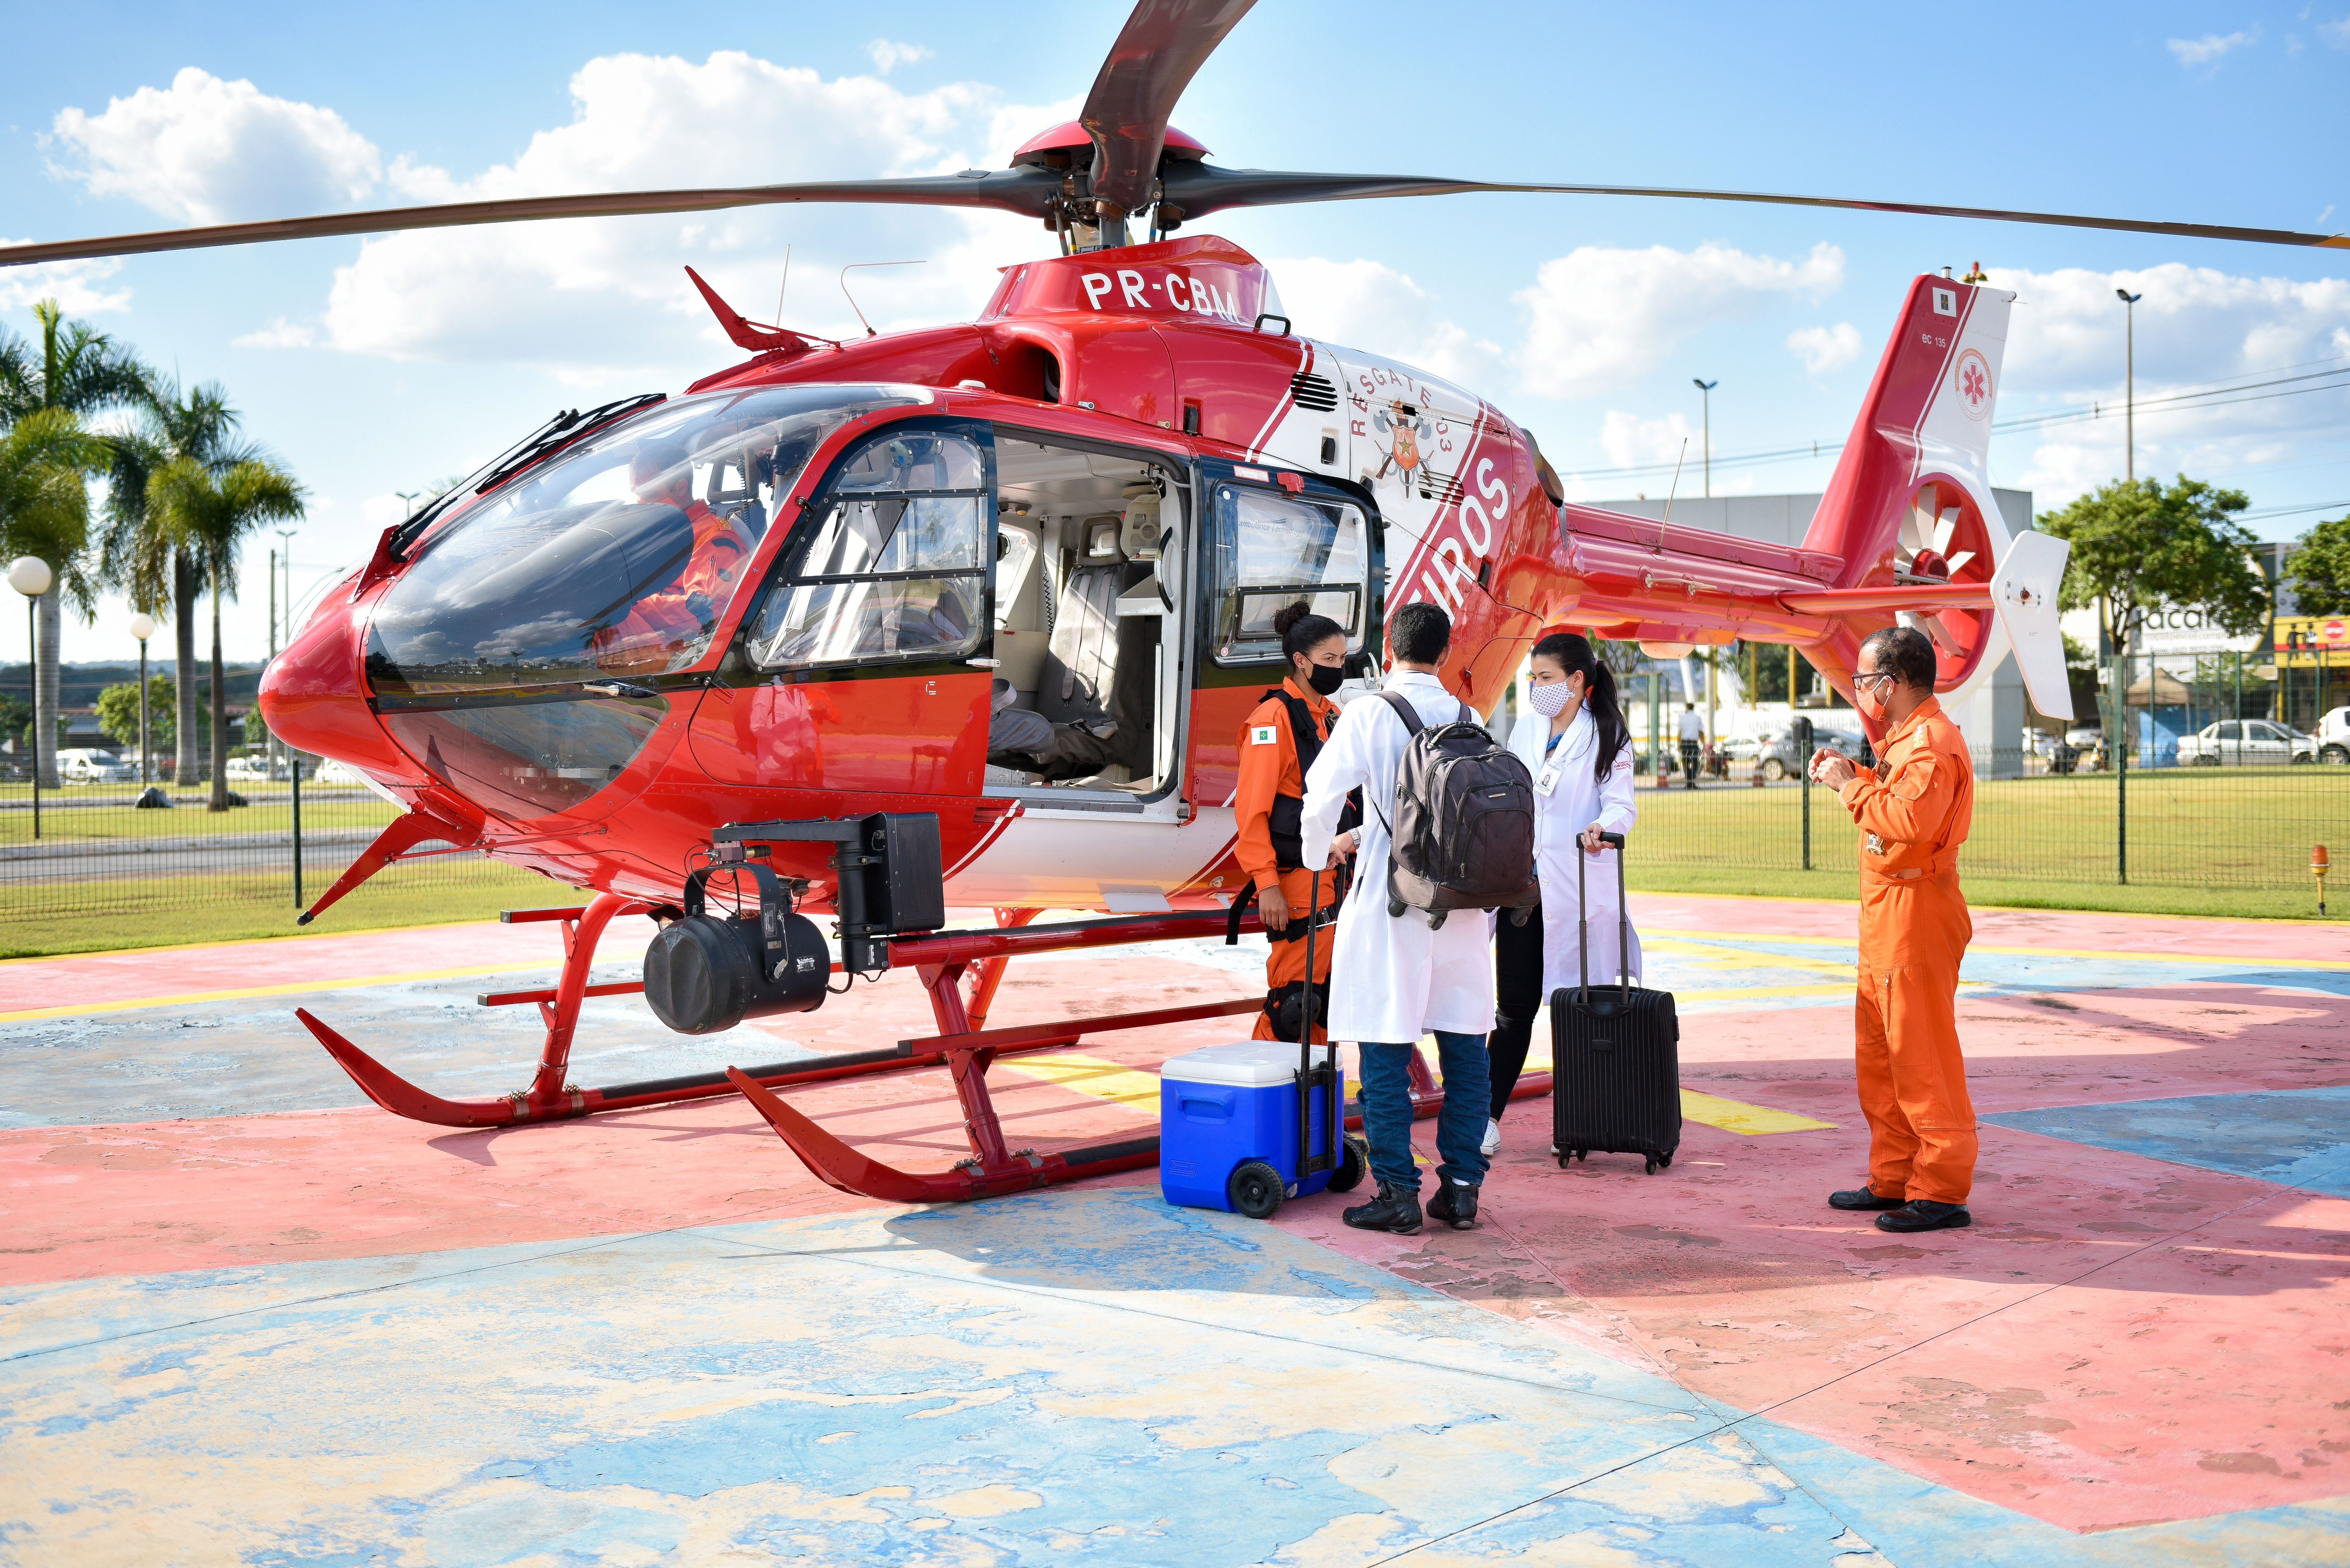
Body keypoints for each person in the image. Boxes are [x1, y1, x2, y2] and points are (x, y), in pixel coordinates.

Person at [1298, 601, 1493, 1235]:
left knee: (1384, 1048)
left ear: (1388, 647)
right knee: (1465, 1048)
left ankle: (1397, 1194)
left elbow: (1320, 794)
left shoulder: (1368, 714)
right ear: (1445, 655)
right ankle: (1461, 1190)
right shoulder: (1471, 716)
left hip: (1393, 906)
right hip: (1461, 910)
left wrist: (1314, 853)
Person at [1808, 625, 1978, 1234]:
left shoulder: (1931, 744)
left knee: (1920, 1056)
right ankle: (1895, 1175)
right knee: (1880, 1057)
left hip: (1916, 913)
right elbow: (1894, 797)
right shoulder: (1906, 740)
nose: (1858, 689)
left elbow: (1910, 818)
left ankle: (1940, 1188)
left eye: (1864, 678)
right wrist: (1855, 770)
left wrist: (1847, 785)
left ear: (1893, 681)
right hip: (1888, 912)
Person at [1488, 633, 1640, 1156]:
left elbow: (1623, 806)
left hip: (1577, 889)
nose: (1537, 688)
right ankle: (1484, 1117)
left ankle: (1583, 1121)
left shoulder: (1608, 736)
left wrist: (1601, 826)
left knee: (1578, 1010)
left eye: (1546, 679)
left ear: (1577, 680)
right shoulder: (1526, 729)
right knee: (1515, 1010)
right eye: (1533, 679)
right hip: (1523, 892)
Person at [1232, 604, 1355, 1042]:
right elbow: (1252, 810)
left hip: (1336, 876)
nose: (1339, 668)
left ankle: (1313, 1104)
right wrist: (1266, 883)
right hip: (1297, 882)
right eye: (1329, 660)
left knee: (1322, 1003)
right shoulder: (1272, 720)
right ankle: (1272, 1102)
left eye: (1343, 659)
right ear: (1301, 660)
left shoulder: (1331, 717)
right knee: (1294, 1005)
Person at [1676, 701, 1706, 789]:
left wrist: (1679, 744)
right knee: (1695, 763)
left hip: (1685, 743)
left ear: (1687, 708)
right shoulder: (1698, 718)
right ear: (1693, 708)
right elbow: (1701, 732)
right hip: (1694, 743)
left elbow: (1679, 733)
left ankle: (1688, 782)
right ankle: (1692, 780)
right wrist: (1704, 744)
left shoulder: (1682, 718)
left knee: (1685, 763)